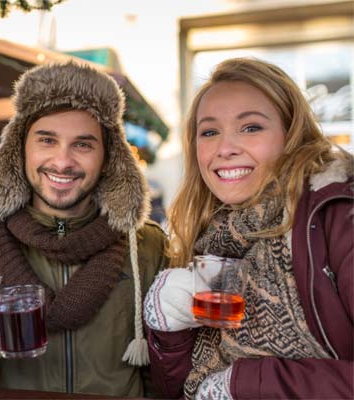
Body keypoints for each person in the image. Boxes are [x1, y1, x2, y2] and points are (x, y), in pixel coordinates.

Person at [0, 61, 168, 397]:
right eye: (47, 140)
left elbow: (163, 378)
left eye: (83, 144)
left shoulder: (147, 246)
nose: (62, 162)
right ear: (20, 148)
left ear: (108, 158)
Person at [143, 57, 353, 399]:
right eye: (209, 132)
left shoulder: (337, 214)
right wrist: (169, 331)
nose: (225, 149)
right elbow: (183, 391)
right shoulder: (208, 233)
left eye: (251, 127)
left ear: (291, 134)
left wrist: (247, 384)